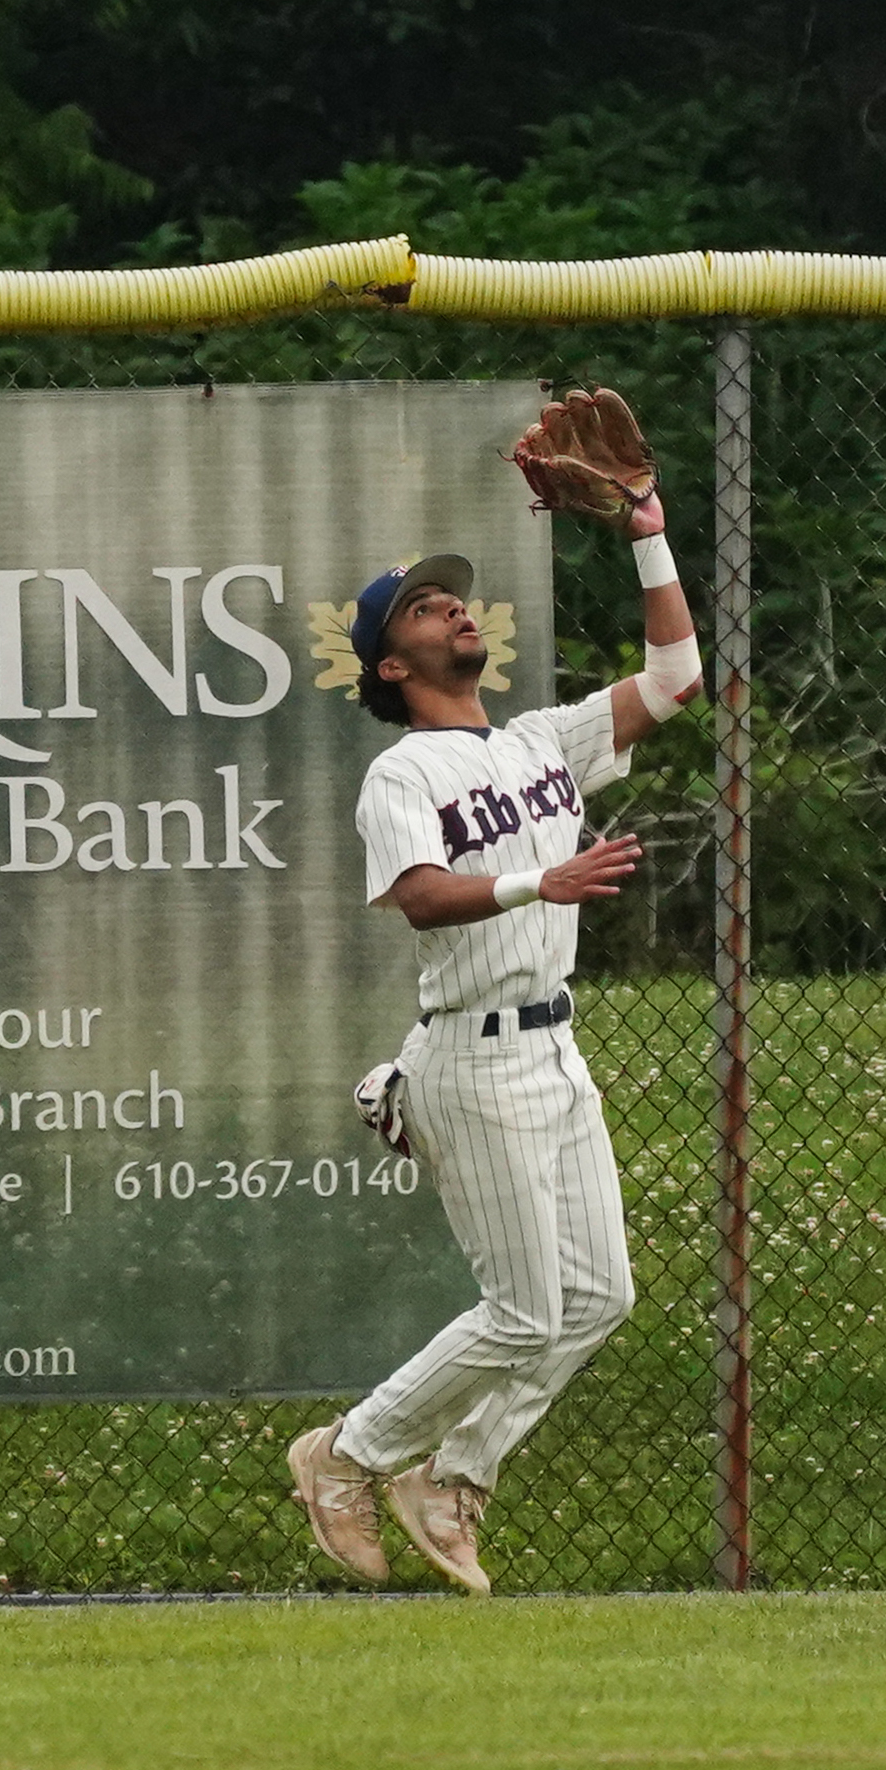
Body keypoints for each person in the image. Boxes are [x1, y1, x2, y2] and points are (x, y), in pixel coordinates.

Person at [289, 391, 702, 1595]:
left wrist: (643, 519)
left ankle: (452, 1477)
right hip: (468, 1055)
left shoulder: (536, 742)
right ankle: (347, 1454)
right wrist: (543, 877)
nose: (455, 605)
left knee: (599, 1296)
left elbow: (674, 674)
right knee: (524, 1308)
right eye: (426, 603)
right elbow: (419, 895)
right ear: (389, 659)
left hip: (551, 1049)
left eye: (453, 594)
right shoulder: (400, 769)